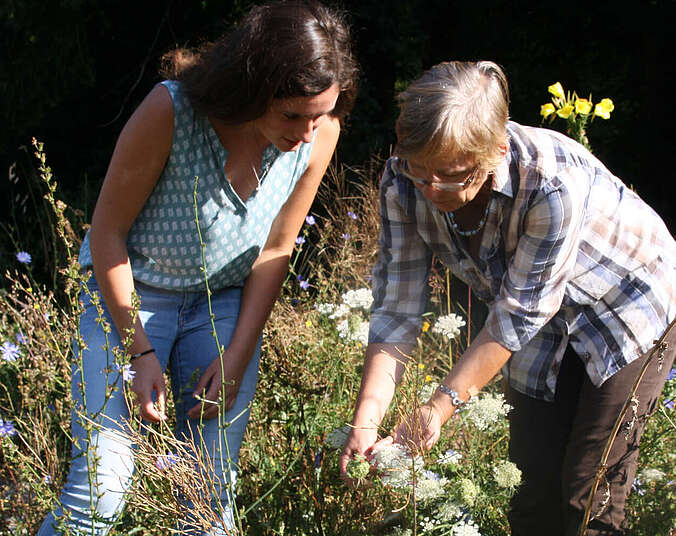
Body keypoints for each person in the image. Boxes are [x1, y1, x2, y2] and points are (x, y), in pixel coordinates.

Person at [39, 2, 357, 534]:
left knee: (208, 504)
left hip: (225, 304)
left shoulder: (321, 134)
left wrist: (236, 356)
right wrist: (137, 349)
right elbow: (108, 235)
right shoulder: (171, 111)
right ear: (254, 88)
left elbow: (278, 247)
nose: (306, 132)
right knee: (102, 494)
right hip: (131, 296)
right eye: (292, 115)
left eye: (318, 114)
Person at [339, 61, 675, 536]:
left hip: (624, 303)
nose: (431, 188)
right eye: (420, 170)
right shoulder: (402, 182)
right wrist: (367, 420)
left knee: (587, 492)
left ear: (496, 150)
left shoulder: (550, 183)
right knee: (528, 489)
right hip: (540, 316)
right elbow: (397, 307)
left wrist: (438, 408)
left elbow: (518, 315)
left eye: (451, 174)